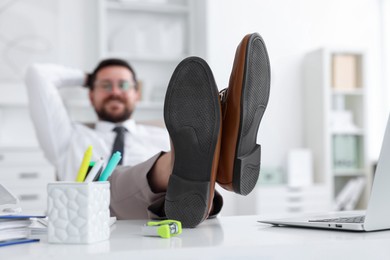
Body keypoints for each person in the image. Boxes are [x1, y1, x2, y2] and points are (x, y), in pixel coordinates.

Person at [25, 32, 271, 228]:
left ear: (137, 93)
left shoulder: (161, 133)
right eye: (104, 85)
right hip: (91, 217)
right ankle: (223, 154)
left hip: (167, 213)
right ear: (91, 94)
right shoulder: (68, 137)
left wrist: (98, 81)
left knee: (185, 162)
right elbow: (38, 76)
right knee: (112, 180)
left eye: (123, 85)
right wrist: (87, 77)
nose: (115, 91)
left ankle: (208, 156)